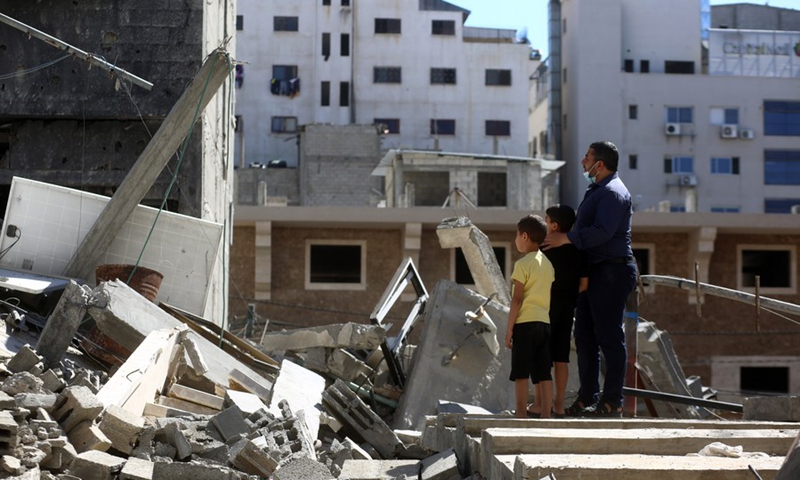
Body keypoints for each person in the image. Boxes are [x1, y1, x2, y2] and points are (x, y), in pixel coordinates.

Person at [542, 141, 637, 418]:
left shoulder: (612, 193)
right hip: (594, 273)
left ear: (600, 164)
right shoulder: (597, 190)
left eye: (587, 158)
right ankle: (587, 398)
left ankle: (612, 401)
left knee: (609, 337)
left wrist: (565, 238)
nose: (583, 162)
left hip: (612, 271)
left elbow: (603, 232)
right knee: (584, 336)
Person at [505, 214, 555, 419]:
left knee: (521, 372)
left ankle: (520, 414)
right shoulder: (548, 265)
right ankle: (546, 415)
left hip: (525, 324)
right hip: (544, 323)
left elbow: (517, 299)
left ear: (524, 236)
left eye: (517, 235)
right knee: (544, 371)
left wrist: (509, 329)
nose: (516, 238)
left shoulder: (522, 264)